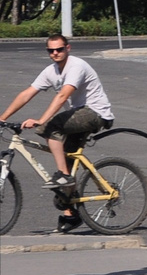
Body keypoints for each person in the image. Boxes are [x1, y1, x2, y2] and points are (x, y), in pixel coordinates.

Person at [0, 36, 115, 232]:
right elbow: (27, 93)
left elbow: (63, 96)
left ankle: (64, 176)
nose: (55, 53)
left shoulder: (76, 66)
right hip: (77, 114)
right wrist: (2, 118)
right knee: (67, 160)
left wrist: (42, 119)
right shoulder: (50, 71)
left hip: (95, 112)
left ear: (67, 48)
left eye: (59, 49)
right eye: (50, 50)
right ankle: (71, 214)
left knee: (49, 128)